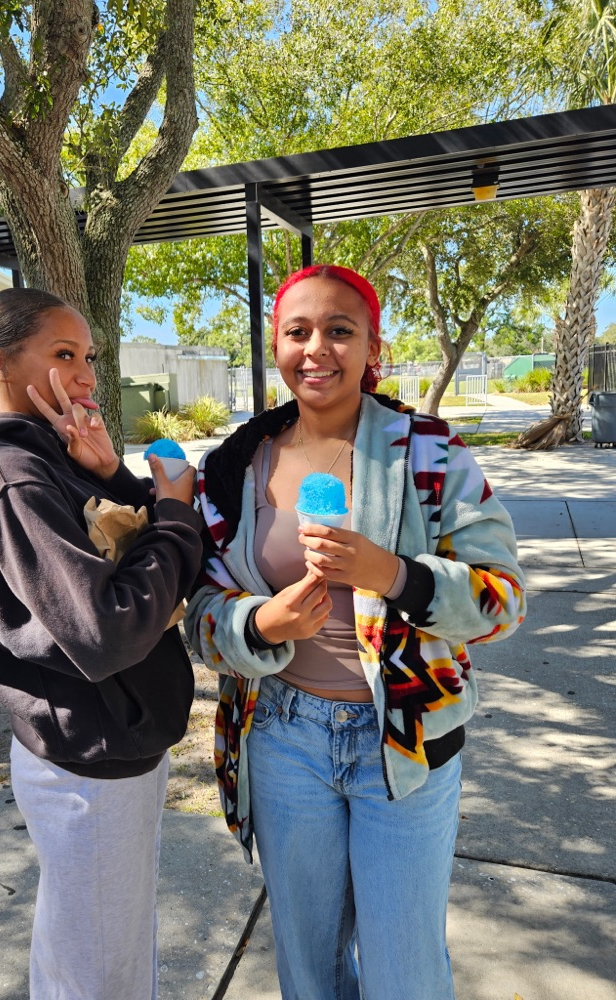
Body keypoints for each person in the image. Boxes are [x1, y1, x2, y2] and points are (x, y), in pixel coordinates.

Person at [185, 264, 526, 1000]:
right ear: (276, 345)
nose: (317, 348)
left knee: (406, 974)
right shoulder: (233, 468)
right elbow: (201, 615)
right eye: (297, 331)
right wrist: (257, 623)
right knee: (309, 967)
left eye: (340, 330)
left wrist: (393, 573)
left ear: (373, 347)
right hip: (281, 738)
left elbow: (502, 600)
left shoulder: (429, 452)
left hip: (403, 739)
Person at [0, 287, 204, 1000]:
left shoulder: (55, 454)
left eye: (91, 357)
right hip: (89, 754)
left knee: (108, 950)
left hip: (112, 739)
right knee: (96, 972)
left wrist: (113, 476)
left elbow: (119, 553)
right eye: (65, 354)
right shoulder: (12, 474)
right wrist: (176, 512)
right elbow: (107, 628)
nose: (85, 375)